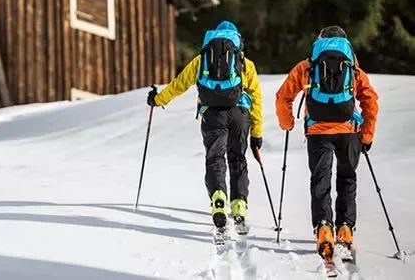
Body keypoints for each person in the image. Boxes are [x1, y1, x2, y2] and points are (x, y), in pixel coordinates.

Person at [147, 21, 263, 234]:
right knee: (237, 158)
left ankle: (218, 198)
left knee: (215, 158)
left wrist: (158, 100)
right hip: (239, 114)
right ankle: (239, 205)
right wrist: (256, 132)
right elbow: (256, 98)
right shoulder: (245, 63)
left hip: (212, 114)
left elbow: (179, 85)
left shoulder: (202, 60)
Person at [275, 26, 379, 262]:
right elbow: (370, 101)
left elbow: (283, 97)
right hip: (348, 130)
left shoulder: (307, 66)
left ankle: (323, 228)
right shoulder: (353, 68)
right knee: (347, 178)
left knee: (320, 179)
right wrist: (367, 136)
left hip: (317, 131)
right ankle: (345, 228)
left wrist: (287, 122)